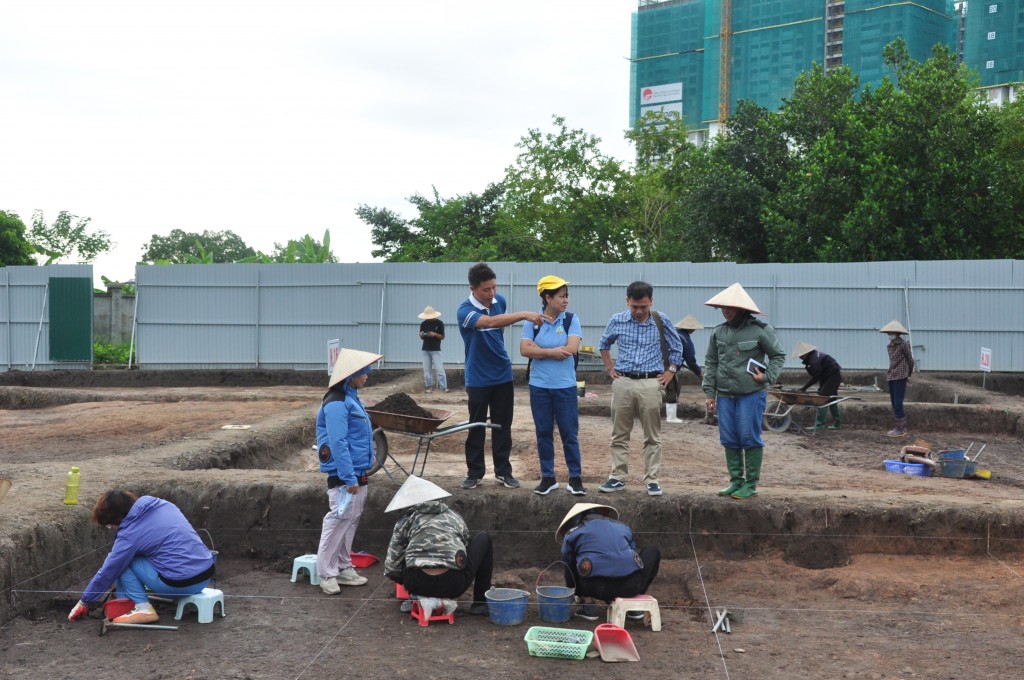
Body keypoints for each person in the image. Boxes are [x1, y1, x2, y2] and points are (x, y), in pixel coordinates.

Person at [67, 490, 215, 625]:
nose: (112, 529)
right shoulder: (163, 505)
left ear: (117, 518)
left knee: (123, 562)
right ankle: (125, 603)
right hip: (205, 576)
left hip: (180, 584)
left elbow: (109, 570)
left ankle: (143, 608)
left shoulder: (129, 535)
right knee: (135, 558)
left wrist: (84, 601)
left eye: (110, 525)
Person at [457, 262, 543, 490]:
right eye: (486, 289)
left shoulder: (500, 301)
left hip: (502, 375)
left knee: (502, 426)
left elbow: (498, 327)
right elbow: (491, 323)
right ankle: (474, 473)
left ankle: (503, 472)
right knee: (476, 425)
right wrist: (524, 314)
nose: (492, 293)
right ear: (473, 288)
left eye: (494, 287)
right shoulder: (465, 311)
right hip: (477, 377)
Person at [597, 281, 683, 497]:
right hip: (623, 381)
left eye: (643, 307)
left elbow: (677, 347)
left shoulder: (660, 321)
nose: (638, 311)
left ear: (651, 302)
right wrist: (610, 369)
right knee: (619, 434)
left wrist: (670, 372)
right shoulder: (617, 320)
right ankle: (617, 477)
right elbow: (604, 344)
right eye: (634, 306)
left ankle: (652, 479)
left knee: (652, 435)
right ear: (627, 301)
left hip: (650, 383)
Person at [702, 283, 786, 500]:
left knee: (749, 436)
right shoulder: (718, 332)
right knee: (729, 437)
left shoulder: (760, 331)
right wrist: (709, 393)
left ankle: (751, 484)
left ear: (742, 309)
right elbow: (711, 362)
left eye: (730, 307)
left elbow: (777, 355)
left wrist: (766, 377)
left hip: (751, 393)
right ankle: (736, 482)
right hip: (724, 394)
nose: (725, 310)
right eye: (722, 307)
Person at [315, 347, 382, 595]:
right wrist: (348, 477)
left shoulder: (351, 397)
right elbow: (338, 442)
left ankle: (343, 566)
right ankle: (326, 571)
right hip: (344, 473)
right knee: (339, 518)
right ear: (351, 375)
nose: (367, 375)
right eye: (364, 372)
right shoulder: (336, 403)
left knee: (352, 517)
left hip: (356, 469)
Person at [384, 475, 493, 618]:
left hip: (416, 583)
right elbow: (463, 552)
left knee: (403, 550)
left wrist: (407, 584)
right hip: (453, 585)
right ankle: (480, 603)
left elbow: (392, 567)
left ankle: (416, 597)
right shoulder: (454, 517)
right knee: (483, 537)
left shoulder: (405, 522)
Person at [520, 275, 585, 496]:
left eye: (567, 296)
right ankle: (548, 477)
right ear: (547, 298)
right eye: (561, 296)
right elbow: (524, 350)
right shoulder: (532, 322)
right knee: (543, 432)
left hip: (565, 387)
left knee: (569, 433)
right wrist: (551, 352)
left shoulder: (570, 320)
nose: (566, 300)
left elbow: (572, 348)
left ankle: (575, 478)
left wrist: (539, 350)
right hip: (539, 387)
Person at [556, 502, 661, 621]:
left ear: (576, 519)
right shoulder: (623, 528)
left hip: (593, 587)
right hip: (631, 587)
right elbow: (633, 555)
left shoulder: (573, 533)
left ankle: (589, 606)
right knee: (652, 551)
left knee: (576, 559)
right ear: (604, 514)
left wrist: (575, 591)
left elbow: (568, 564)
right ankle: (634, 606)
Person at [792, 341, 843, 430]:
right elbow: (820, 375)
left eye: (801, 355)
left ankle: (820, 424)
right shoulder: (813, 357)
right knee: (832, 398)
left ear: (806, 353)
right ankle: (837, 424)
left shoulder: (814, 359)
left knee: (822, 398)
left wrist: (804, 388)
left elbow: (816, 376)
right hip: (828, 376)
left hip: (833, 376)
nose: (800, 358)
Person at [665, 314, 705, 424]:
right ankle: (671, 417)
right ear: (691, 329)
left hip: (656, 365)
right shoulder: (685, 339)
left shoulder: (672, 333)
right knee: (673, 389)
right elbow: (691, 360)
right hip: (669, 368)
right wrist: (699, 373)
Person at [880, 320, 915, 437]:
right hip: (891, 375)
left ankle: (901, 427)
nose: (889, 334)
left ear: (897, 333)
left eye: (891, 332)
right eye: (888, 332)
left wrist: (908, 374)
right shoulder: (889, 346)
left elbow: (910, 360)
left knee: (898, 402)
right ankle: (898, 425)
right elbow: (892, 362)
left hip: (901, 375)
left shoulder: (904, 344)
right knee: (893, 402)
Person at [418, 305, 448, 394]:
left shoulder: (439, 323)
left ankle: (443, 387)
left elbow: (442, 337)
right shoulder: (423, 324)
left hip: (435, 348)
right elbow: (421, 336)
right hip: (425, 348)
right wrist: (422, 335)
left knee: (439, 369)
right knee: (427, 370)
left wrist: (434, 334)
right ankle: (429, 387)